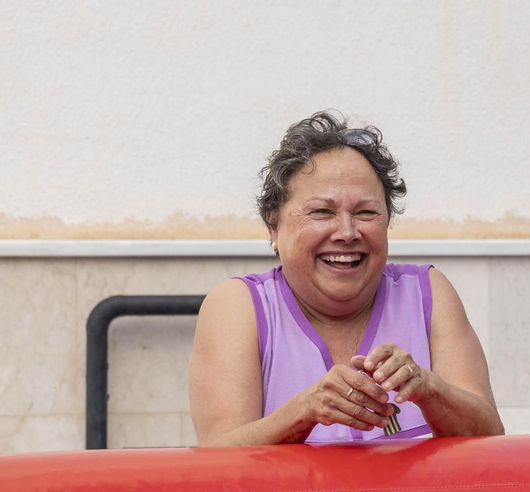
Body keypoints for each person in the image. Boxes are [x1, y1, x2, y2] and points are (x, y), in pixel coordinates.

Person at [189, 112, 503, 446]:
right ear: (273, 226)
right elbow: (218, 457)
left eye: (366, 212)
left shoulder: (428, 292)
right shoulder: (237, 307)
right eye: (322, 212)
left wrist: (429, 390)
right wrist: (304, 411)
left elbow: (490, 435)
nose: (347, 233)